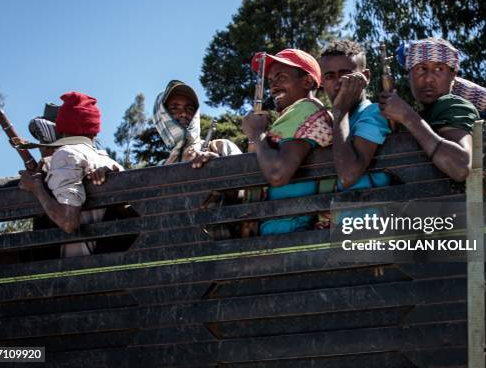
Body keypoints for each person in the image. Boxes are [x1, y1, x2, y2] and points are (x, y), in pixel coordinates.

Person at [18, 92, 123, 257]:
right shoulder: (109, 161)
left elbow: (68, 223)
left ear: (61, 127)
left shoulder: (66, 154)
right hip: (110, 257)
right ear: (94, 132)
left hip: (79, 264)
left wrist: (36, 185)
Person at [242, 48, 333, 235]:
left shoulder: (303, 109)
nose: (273, 86)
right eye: (270, 81)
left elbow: (277, 174)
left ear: (307, 81)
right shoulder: (303, 115)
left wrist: (257, 133)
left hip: (289, 233)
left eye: (281, 78)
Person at [378, 38, 480, 182]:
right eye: (421, 69)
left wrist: (407, 116)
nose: (428, 79)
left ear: (453, 75)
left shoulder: (451, 104)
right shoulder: (428, 113)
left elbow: (460, 167)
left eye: (438, 69)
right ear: (409, 75)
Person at [320, 39, 391, 190]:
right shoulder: (328, 122)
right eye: (330, 76)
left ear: (366, 77)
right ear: (322, 82)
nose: (338, 82)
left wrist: (340, 112)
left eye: (345, 75)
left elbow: (348, 176)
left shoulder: (374, 113)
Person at [153, 79, 241, 167]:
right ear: (161, 115)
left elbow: (248, 176)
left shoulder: (222, 147)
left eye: (190, 108)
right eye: (175, 108)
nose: (183, 113)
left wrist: (219, 165)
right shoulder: (159, 168)